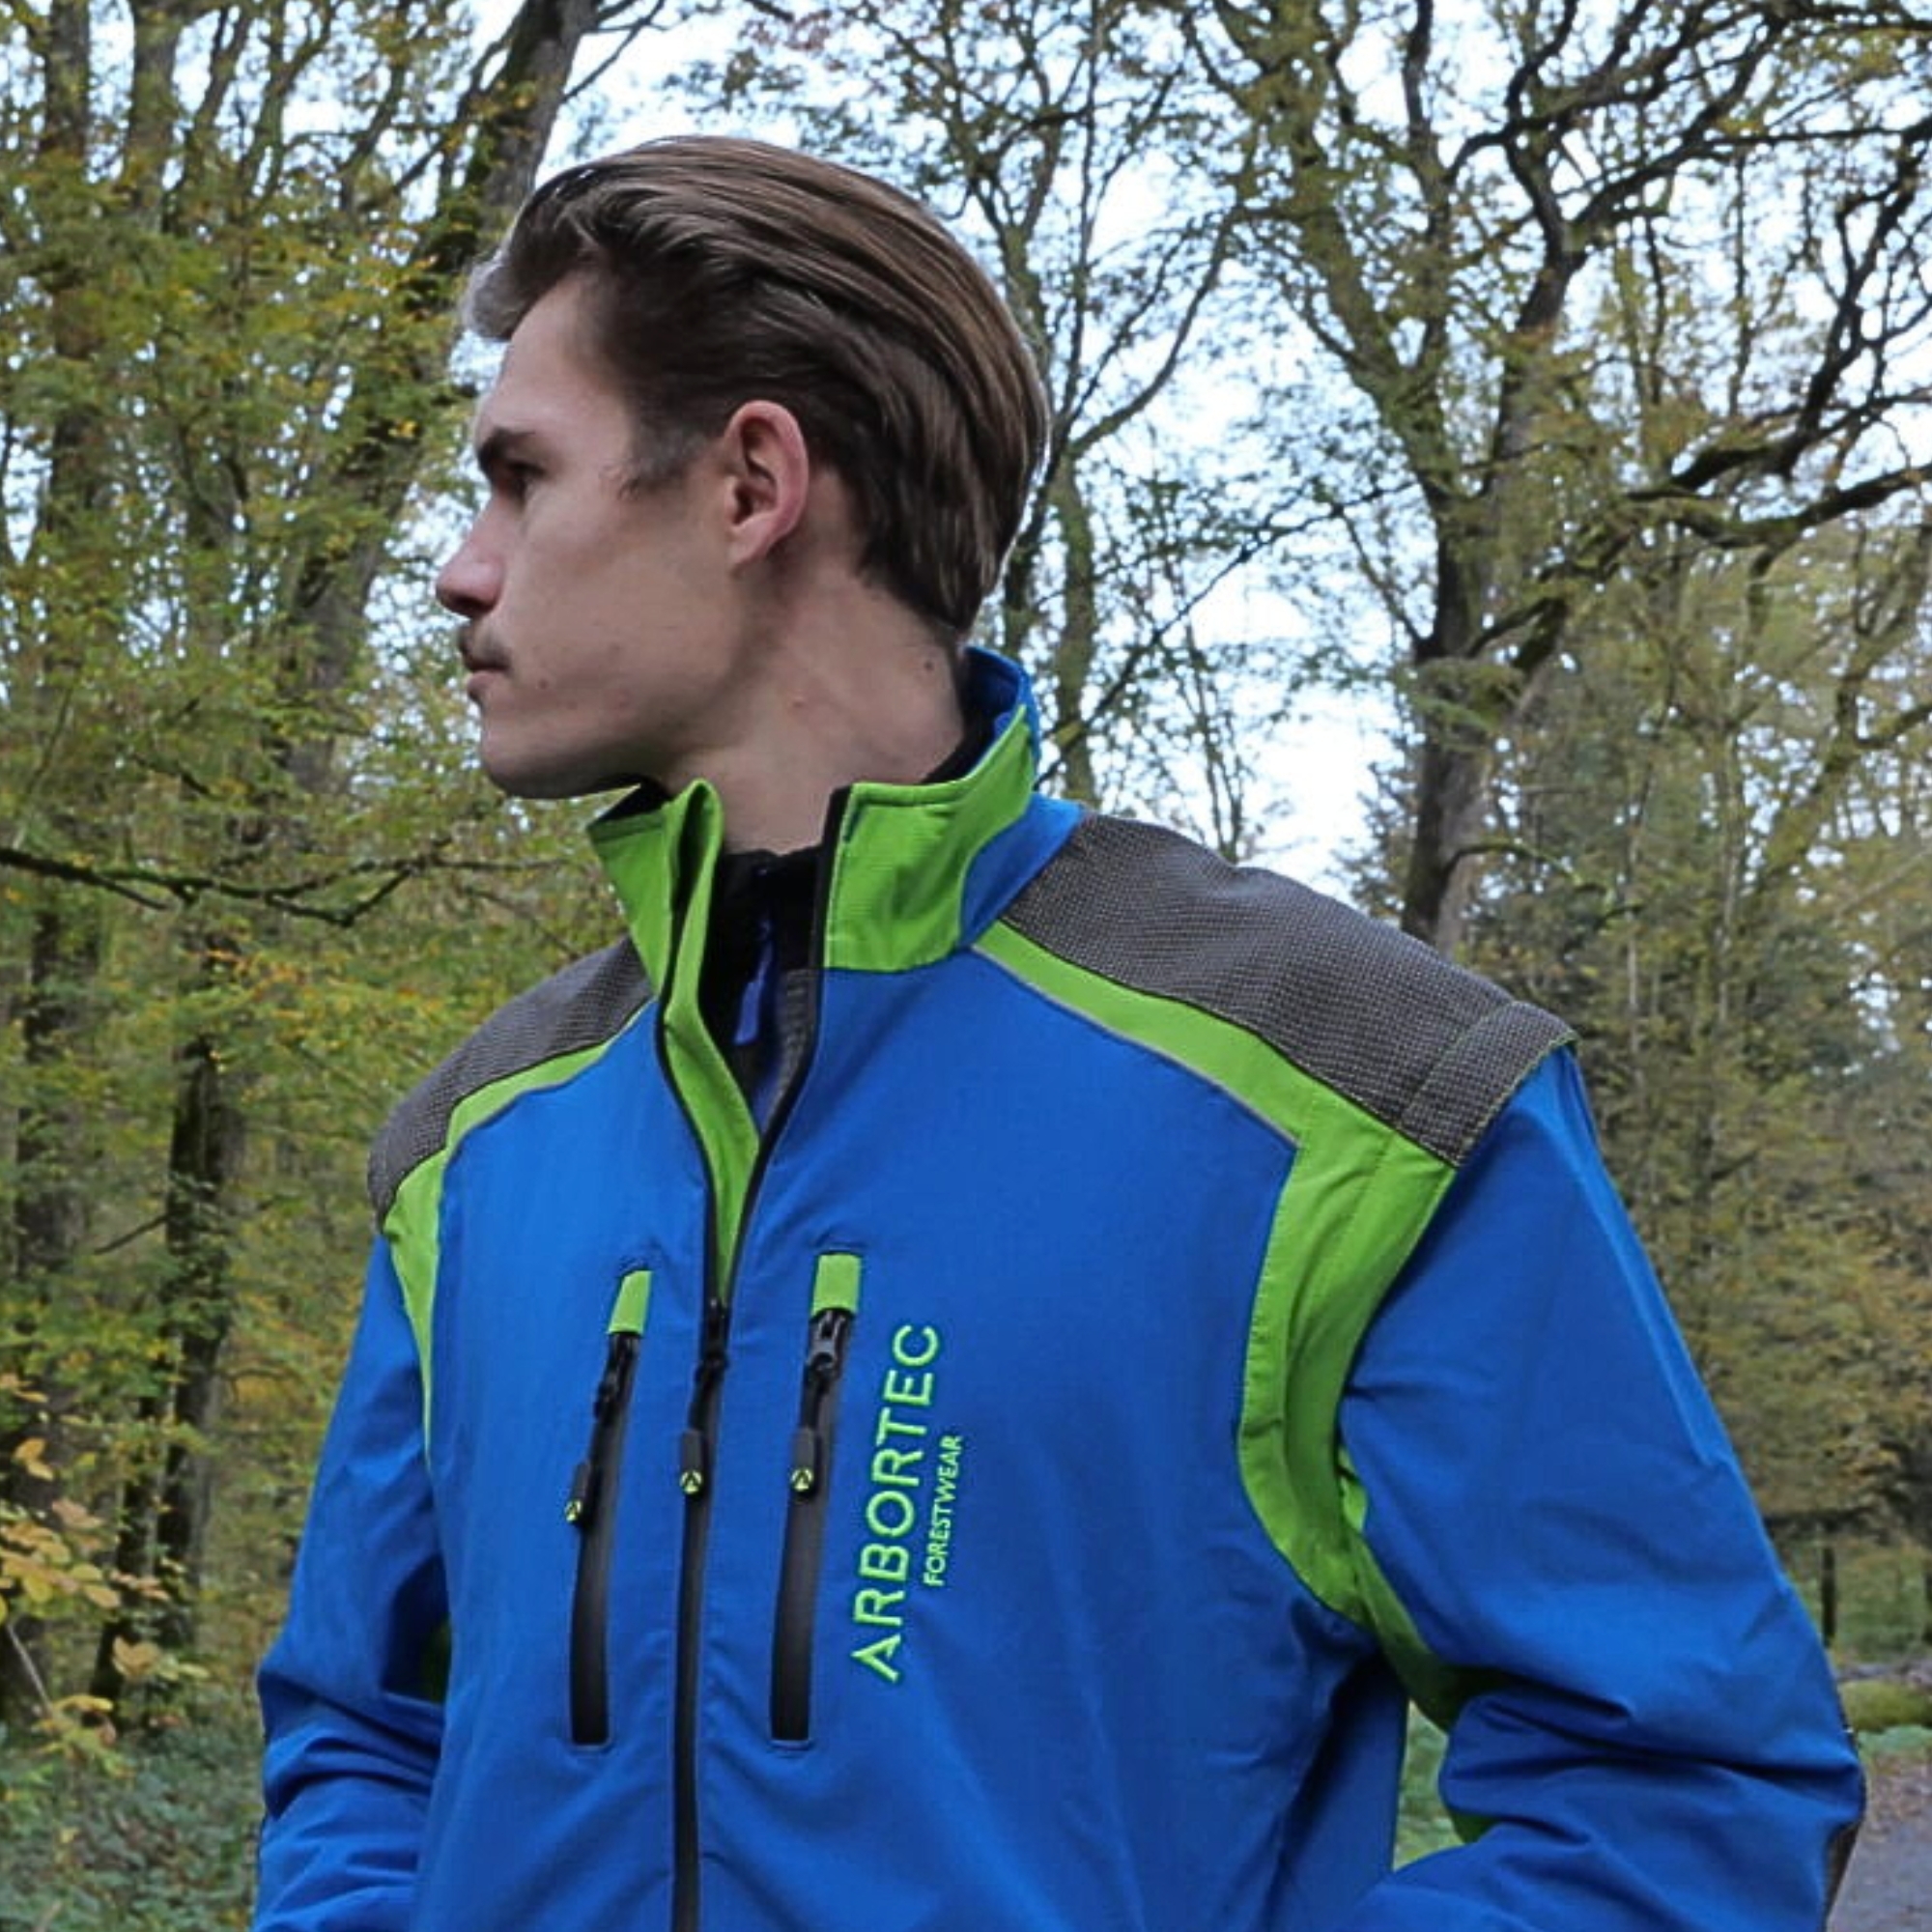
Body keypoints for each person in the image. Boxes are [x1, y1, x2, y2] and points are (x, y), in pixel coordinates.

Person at [253, 135, 1861, 1932]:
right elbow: (360, 1738)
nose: (463, 573)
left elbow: (1685, 1798)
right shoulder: (476, 1146)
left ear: (752, 483)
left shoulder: (1353, 1100)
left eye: (518, 479)